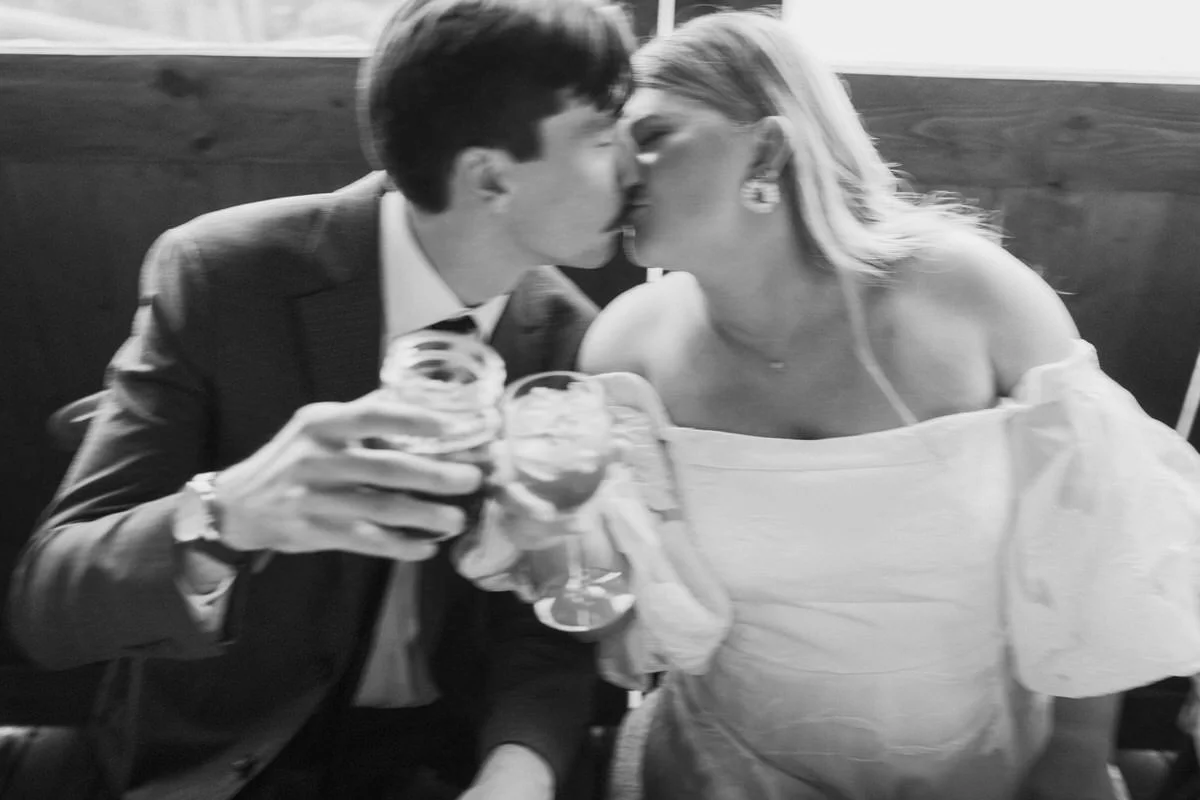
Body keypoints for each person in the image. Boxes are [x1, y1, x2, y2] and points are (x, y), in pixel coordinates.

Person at [5, 0, 636, 797]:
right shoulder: (223, 278)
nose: (633, 170)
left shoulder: (571, 345)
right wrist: (227, 512)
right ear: (490, 176)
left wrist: (522, 768)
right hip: (216, 763)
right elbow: (49, 608)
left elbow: (543, 631)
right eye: (604, 139)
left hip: (439, 760)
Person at [580, 9, 1200, 800]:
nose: (620, 173)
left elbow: (1095, 541)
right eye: (609, 148)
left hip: (981, 766)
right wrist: (560, 549)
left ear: (768, 148)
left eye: (654, 136)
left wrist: (1076, 754)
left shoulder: (977, 300)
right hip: (727, 766)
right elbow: (624, 617)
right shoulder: (624, 353)